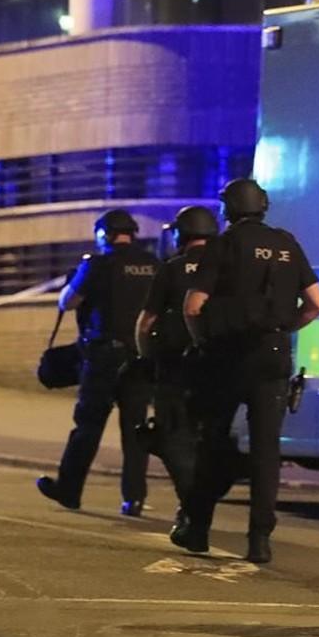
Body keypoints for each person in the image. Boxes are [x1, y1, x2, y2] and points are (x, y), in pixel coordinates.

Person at [171, 178, 319, 564]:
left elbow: (193, 306)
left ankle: (197, 528)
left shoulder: (223, 245)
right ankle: (259, 540)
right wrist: (284, 328)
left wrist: (202, 339)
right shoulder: (287, 243)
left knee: (213, 441)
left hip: (228, 355)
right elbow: (317, 304)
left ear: (229, 209)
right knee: (266, 450)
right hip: (273, 355)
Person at [36, 209, 158, 516]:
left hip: (104, 357)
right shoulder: (153, 265)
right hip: (141, 357)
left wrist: (72, 281)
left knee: (88, 426)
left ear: (104, 234)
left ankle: (69, 490)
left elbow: (68, 302)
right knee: (135, 430)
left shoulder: (98, 264)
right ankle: (134, 499)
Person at [135, 205, 219, 531]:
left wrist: (146, 358)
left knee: (173, 440)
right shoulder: (228, 267)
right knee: (208, 443)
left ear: (182, 235)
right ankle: (196, 510)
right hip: (217, 368)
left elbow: (146, 323)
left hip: (175, 367)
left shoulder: (171, 269)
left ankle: (192, 511)